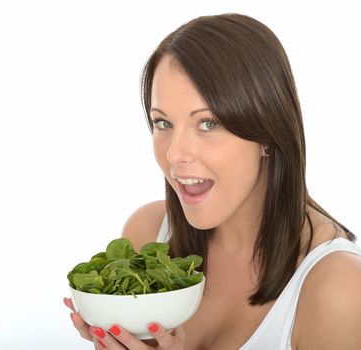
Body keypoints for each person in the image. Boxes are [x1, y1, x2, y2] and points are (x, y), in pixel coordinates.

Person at [63, 13, 361, 349]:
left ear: (267, 130)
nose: (175, 154)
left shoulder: (339, 290)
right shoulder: (147, 235)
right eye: (163, 123)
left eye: (208, 124)